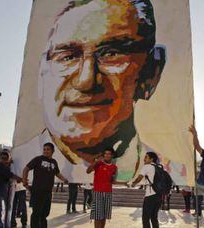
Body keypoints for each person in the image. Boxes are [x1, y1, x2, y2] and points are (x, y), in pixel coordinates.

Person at [12, 0, 187, 186]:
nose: (85, 81)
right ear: (41, 73)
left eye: (111, 54)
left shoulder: (174, 172)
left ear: (152, 74)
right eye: (68, 57)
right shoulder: (19, 162)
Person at [22, 143, 68, 228]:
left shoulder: (54, 162)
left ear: (52, 151)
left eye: (48, 149)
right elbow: (26, 169)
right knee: (36, 213)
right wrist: (25, 183)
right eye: (44, 149)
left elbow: (57, 173)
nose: (46, 151)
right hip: (37, 191)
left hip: (48, 192)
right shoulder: (38, 159)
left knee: (45, 213)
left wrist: (64, 179)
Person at [87, 148, 121, 228]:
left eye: (109, 154)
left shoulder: (114, 167)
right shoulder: (99, 164)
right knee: (98, 216)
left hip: (108, 192)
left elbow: (112, 180)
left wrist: (124, 183)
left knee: (104, 215)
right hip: (98, 192)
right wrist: (96, 161)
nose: (106, 155)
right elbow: (88, 171)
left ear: (112, 155)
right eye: (105, 153)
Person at [131, 151, 162, 228]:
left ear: (151, 159)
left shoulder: (147, 166)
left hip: (150, 195)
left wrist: (134, 183)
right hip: (159, 195)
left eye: (146, 157)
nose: (144, 159)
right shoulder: (159, 167)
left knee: (145, 218)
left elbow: (139, 178)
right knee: (154, 217)